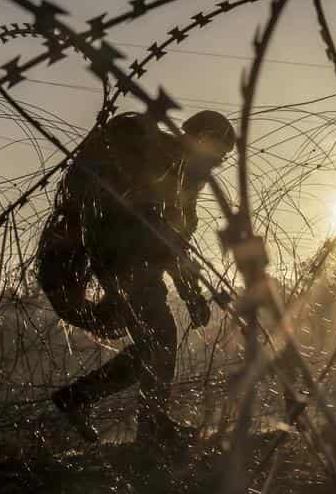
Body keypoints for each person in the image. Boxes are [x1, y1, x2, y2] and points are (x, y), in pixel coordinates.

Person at [49, 109, 234, 445]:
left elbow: (174, 242)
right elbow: (161, 232)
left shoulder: (182, 173)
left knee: (154, 342)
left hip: (134, 262)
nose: (217, 164)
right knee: (160, 337)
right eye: (217, 154)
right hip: (124, 261)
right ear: (202, 140)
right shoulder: (157, 157)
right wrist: (187, 287)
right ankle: (150, 426)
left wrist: (189, 291)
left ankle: (81, 398)